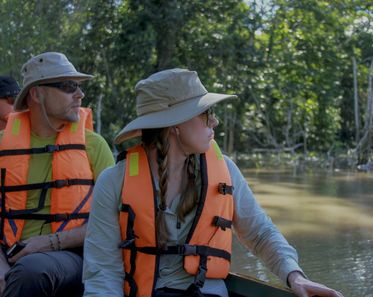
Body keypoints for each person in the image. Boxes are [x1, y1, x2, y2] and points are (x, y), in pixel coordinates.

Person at [83, 68, 344, 297]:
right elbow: (103, 273)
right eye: (207, 114)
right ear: (175, 124)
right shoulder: (114, 181)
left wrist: (295, 276)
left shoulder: (225, 170)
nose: (215, 121)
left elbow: (260, 233)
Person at [0, 52, 115, 297]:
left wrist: (50, 242)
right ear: (36, 93)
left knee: (31, 270)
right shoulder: (2, 146)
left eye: (78, 86)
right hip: (8, 255)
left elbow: (113, 221)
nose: (79, 94)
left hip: (72, 255)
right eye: (67, 86)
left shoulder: (94, 145)